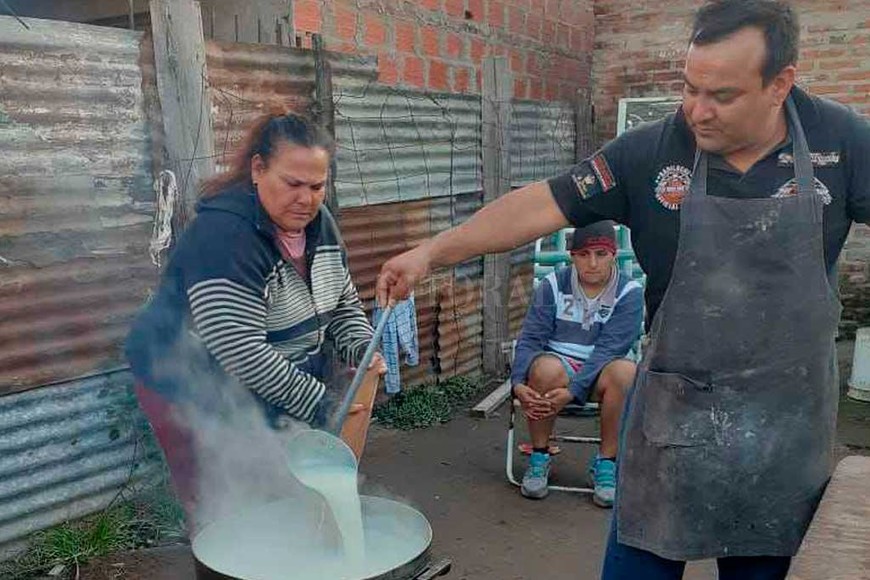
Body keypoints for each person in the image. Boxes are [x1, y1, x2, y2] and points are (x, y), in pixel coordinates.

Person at [376, 1, 870, 578]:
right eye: (689, 88)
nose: (697, 111)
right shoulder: (651, 151)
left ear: (781, 83)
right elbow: (543, 202)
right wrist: (432, 251)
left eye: (723, 96)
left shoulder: (845, 144)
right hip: (672, 412)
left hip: (785, 424)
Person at [126, 112, 385, 528]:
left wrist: (365, 348)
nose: (306, 199)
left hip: (266, 379)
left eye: (317, 186)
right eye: (293, 184)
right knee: (225, 505)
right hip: (187, 382)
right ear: (258, 169)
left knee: (286, 492)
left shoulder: (320, 225)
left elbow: (343, 305)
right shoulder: (225, 235)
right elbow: (242, 352)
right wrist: (324, 406)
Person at [512, 222, 642, 507]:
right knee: (544, 368)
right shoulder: (553, 285)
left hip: (603, 372)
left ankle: (607, 463)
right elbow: (531, 338)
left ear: (613, 254)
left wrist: (574, 391)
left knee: (626, 372)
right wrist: (517, 384)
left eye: (600, 253)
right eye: (583, 254)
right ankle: (540, 455)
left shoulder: (629, 292)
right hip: (558, 368)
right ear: (572, 255)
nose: (592, 263)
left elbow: (610, 349)